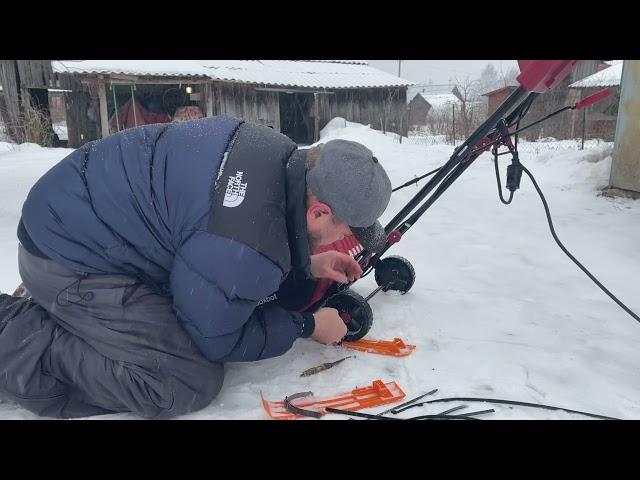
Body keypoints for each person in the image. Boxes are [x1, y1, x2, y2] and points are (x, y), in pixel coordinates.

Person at [0, 116, 392, 419]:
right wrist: (307, 326)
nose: (342, 237)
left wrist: (305, 263)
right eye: (343, 228)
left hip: (72, 219)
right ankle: (17, 341)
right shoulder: (244, 241)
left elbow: (233, 235)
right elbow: (217, 338)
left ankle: (70, 311)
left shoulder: (274, 150)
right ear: (320, 211)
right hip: (67, 260)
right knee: (186, 379)